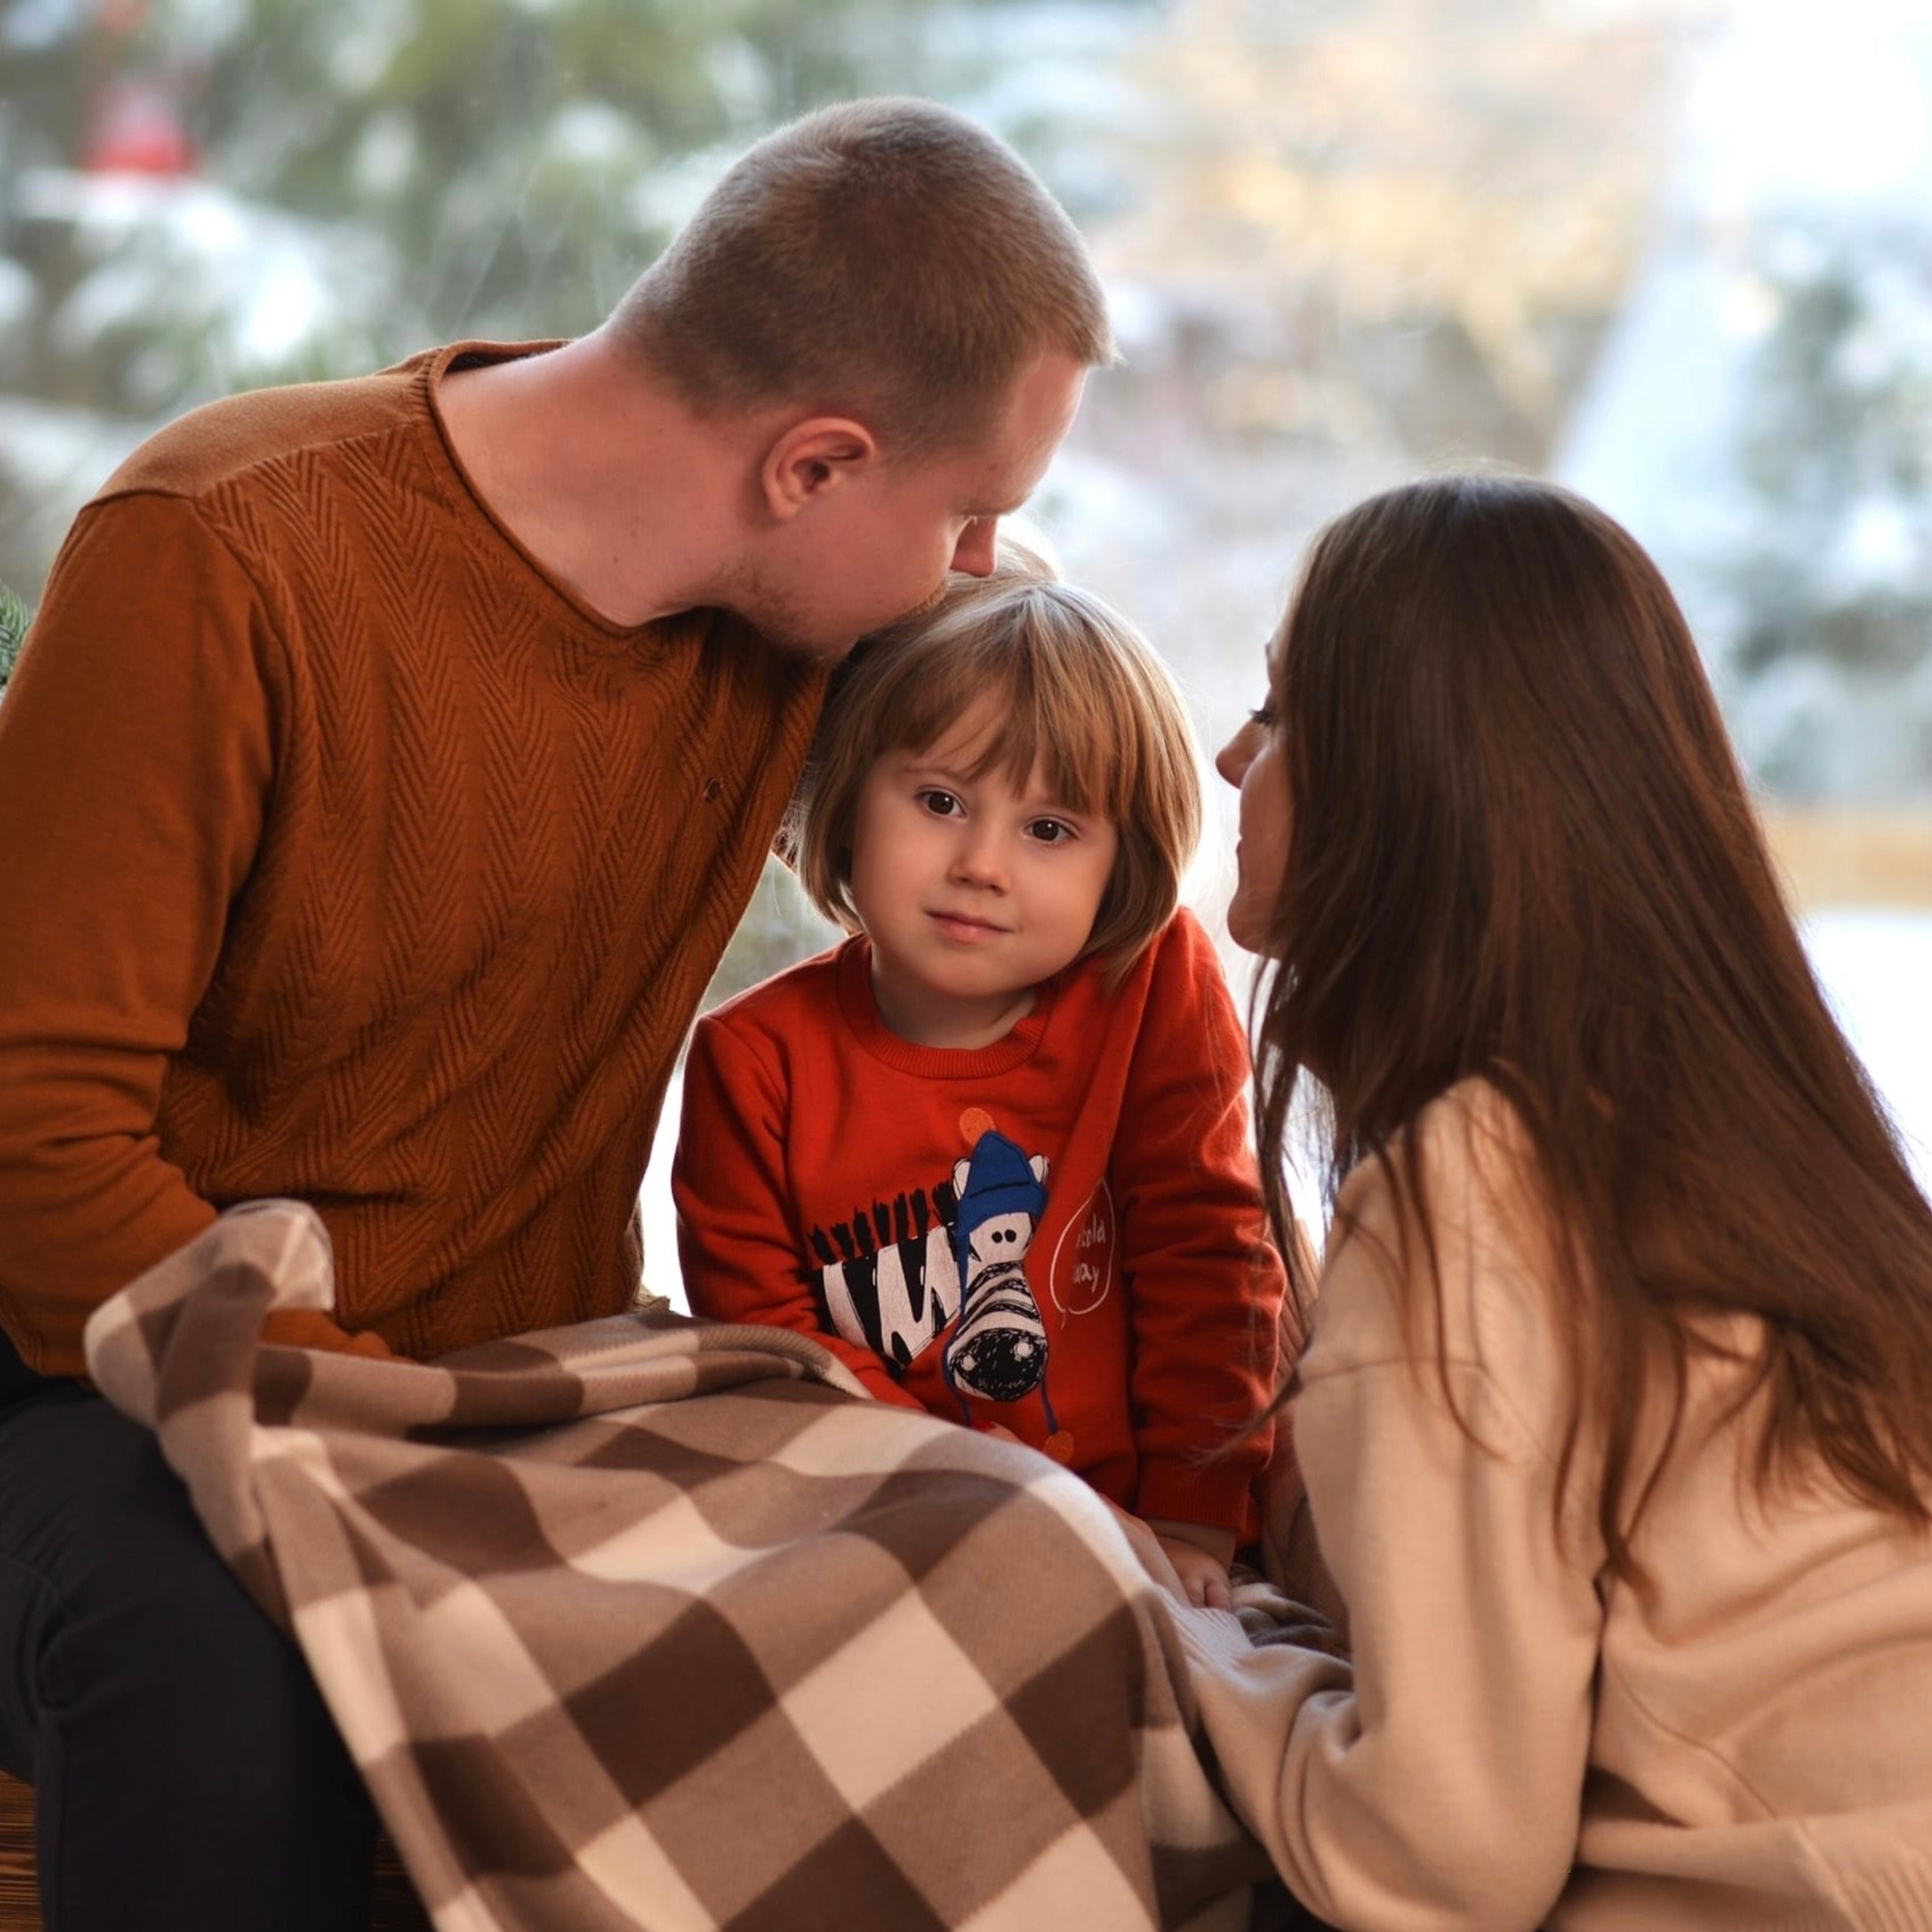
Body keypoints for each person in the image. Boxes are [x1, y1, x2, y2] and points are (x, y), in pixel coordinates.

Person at [0, 98, 1109, 1931]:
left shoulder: (811, 622)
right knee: (213, 1648)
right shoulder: (221, 550)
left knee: (1006, 1551)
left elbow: (1067, 784)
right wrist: (366, 1414)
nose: (986, 563)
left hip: (521, 1394)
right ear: (812, 465)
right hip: (106, 1384)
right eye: (971, 512)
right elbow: (30, 1145)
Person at [1190, 472, 1932, 1931]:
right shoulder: (1770, 1144)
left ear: (1406, 783)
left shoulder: (1470, 1189)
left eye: (1278, 716)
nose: (1228, 758)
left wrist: (1197, 1655)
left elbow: (1440, 1866)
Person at [674, 543, 1286, 1609]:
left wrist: (1197, 1517)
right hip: (882, 1528)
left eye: (1049, 829)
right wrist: (978, 1509)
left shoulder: (1152, 988)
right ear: (852, 798)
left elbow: (1210, 1256)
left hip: (1152, 1535)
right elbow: (772, 1353)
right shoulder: (752, 1062)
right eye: (943, 802)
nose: (983, 865)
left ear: (1121, 865)